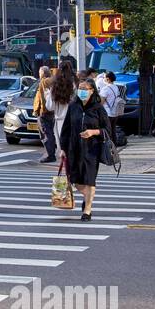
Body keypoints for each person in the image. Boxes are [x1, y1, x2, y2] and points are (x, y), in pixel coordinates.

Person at [60, 76, 108, 221]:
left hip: (92, 149)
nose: (81, 92)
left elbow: (107, 130)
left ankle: (87, 210)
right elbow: (66, 129)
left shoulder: (98, 108)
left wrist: (93, 132)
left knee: (90, 180)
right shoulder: (73, 106)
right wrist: (63, 148)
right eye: (79, 89)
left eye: (85, 89)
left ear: (92, 91)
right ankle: (87, 197)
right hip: (73, 148)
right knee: (76, 180)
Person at [49, 60, 76, 156]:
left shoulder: (54, 86)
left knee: (62, 149)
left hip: (59, 121)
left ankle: (67, 169)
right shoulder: (74, 85)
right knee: (72, 148)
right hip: (73, 119)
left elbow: (50, 107)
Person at [33, 66, 56, 163]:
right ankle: (50, 153)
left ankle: (50, 155)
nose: (39, 74)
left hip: (44, 112)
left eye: (39, 72)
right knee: (48, 133)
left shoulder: (45, 81)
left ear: (43, 73)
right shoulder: (47, 81)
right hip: (47, 111)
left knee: (46, 134)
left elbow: (43, 98)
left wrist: (42, 110)